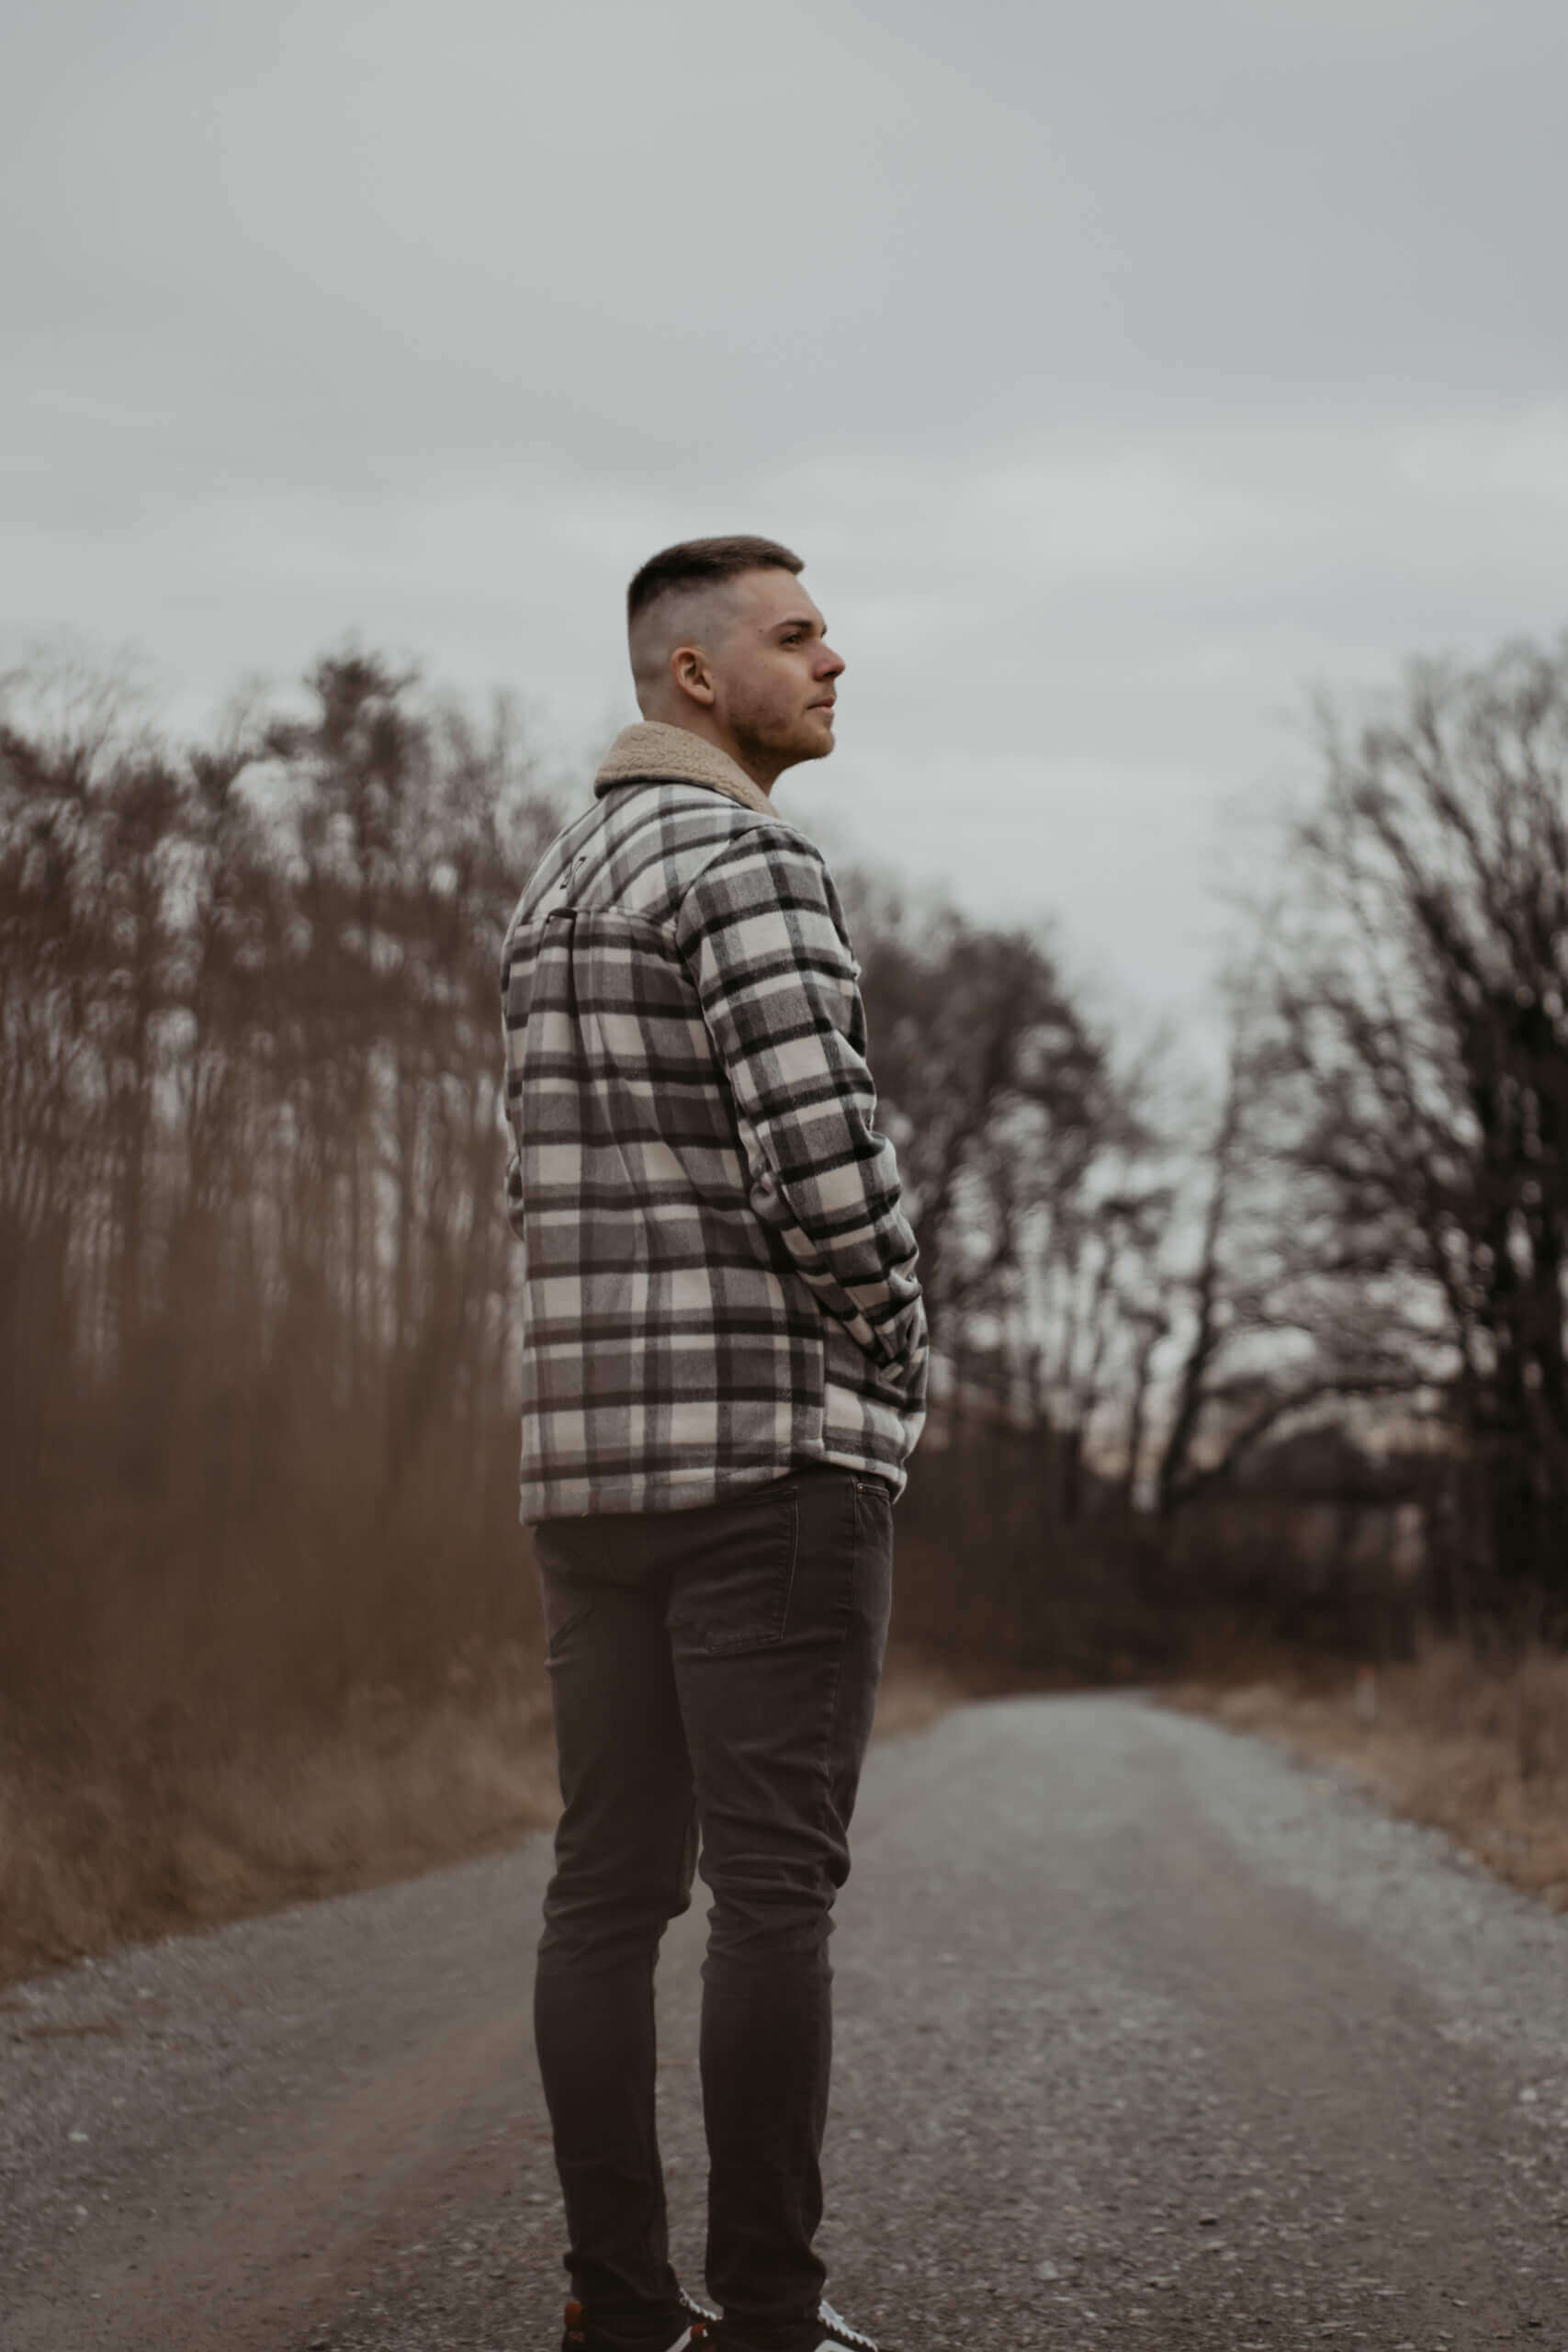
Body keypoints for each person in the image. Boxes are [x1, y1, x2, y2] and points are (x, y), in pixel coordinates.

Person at [500, 536, 927, 2352]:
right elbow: (822, 1165)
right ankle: (767, 2309)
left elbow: (547, 1187)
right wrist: (897, 1350)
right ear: (692, 676)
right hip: (764, 1458)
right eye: (794, 633)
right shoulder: (747, 862)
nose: (835, 657)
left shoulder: (549, 884)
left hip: (590, 1473)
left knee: (603, 1890)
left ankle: (616, 2300)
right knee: (771, 1892)